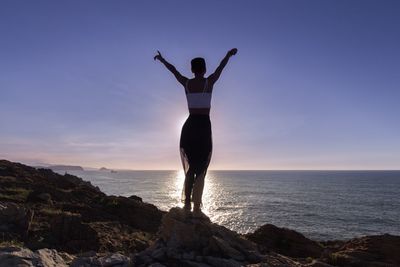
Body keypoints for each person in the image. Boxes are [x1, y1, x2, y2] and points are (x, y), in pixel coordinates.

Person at [154, 48, 237, 217]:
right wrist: (228, 54)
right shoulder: (209, 82)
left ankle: (186, 204)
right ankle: (197, 206)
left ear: (192, 69)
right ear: (204, 69)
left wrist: (162, 60)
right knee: (201, 167)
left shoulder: (186, 83)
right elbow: (221, 67)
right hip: (203, 127)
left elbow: (174, 71)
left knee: (191, 167)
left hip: (189, 126)